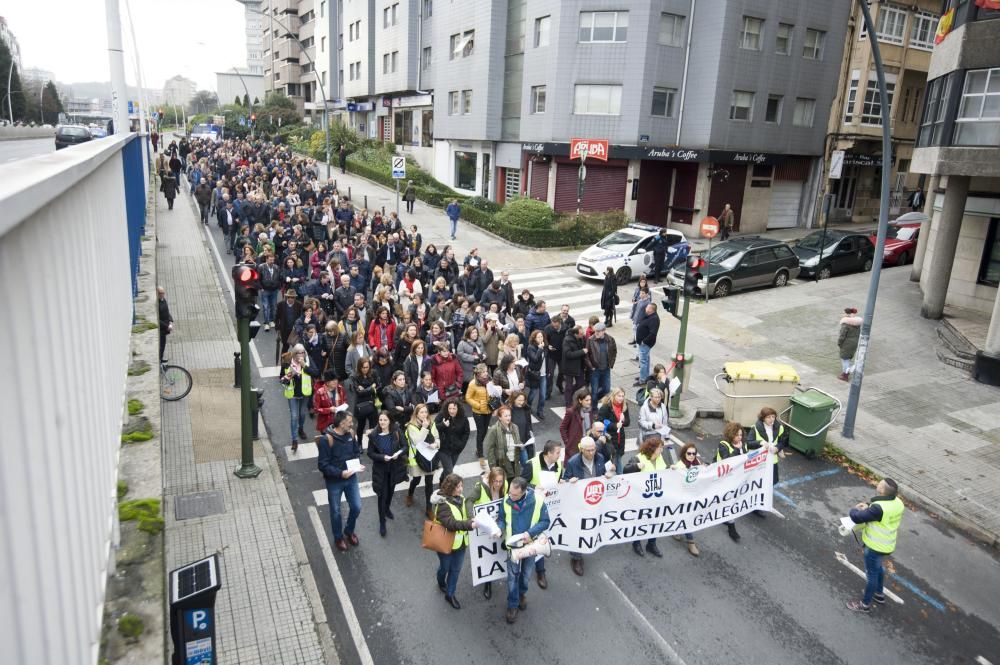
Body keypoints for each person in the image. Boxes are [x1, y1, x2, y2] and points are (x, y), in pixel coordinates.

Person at [494, 477, 551, 624]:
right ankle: (513, 605)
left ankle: (522, 594)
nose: (510, 497)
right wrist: (499, 529)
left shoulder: (537, 500)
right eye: (510, 493)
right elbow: (501, 519)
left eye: (514, 495)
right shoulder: (507, 499)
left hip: (530, 546)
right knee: (513, 578)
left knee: (525, 575)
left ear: (524, 492)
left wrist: (529, 533)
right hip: (513, 547)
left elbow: (545, 521)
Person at [845, 477, 905, 613]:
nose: (877, 484)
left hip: (874, 546)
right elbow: (879, 511)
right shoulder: (898, 502)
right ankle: (879, 594)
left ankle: (864, 604)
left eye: (880, 484)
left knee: (871, 574)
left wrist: (854, 509)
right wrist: (869, 507)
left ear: (883, 491)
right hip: (887, 545)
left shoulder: (879, 508)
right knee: (878, 568)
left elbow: (857, 517)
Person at [563, 437, 613, 576]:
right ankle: (576, 558)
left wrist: (608, 475)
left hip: (595, 500)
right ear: (582, 450)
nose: (592, 452)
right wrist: (569, 481)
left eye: (593, 449)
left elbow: (603, 473)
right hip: (578, 503)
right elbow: (564, 481)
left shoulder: (600, 457)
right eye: (589, 450)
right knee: (577, 529)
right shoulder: (573, 462)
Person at [317, 411, 364, 551]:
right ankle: (338, 537)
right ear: (341, 423)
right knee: (336, 511)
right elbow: (322, 465)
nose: (351, 424)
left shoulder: (351, 434)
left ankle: (349, 531)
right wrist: (340, 473)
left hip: (351, 477)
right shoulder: (327, 439)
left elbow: (356, 452)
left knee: (356, 507)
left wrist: (357, 464)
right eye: (349, 421)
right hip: (334, 481)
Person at [520, 440, 563, 590]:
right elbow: (520, 483)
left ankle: (538, 569)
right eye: (557, 452)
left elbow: (557, 482)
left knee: (543, 537)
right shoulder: (531, 464)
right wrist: (533, 487)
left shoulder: (559, 466)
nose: (560, 455)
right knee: (537, 538)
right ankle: (540, 571)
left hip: (549, 508)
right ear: (548, 453)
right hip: (532, 509)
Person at [430, 474, 477, 609]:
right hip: (445, 545)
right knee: (445, 568)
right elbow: (451, 524)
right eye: (458, 487)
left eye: (461, 486)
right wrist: (470, 525)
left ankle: (450, 594)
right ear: (450, 488)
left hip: (460, 544)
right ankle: (440, 581)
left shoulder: (460, 498)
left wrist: (471, 517)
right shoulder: (442, 504)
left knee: (455, 570)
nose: (461, 489)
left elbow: (464, 514)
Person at [365, 411, 406, 536]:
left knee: (390, 492)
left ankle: (387, 509)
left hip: (393, 469)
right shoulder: (374, 435)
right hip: (381, 470)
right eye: (380, 420)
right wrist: (383, 457)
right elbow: (370, 453)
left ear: (390, 421)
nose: (382, 422)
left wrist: (397, 454)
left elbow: (405, 446)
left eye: (385, 420)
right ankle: (382, 521)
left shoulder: (396, 431)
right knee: (382, 496)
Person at [472, 467, 507, 600]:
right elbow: (469, 501)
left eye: (500, 481)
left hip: (499, 525)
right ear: (491, 479)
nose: (498, 484)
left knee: (498, 551)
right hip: (485, 527)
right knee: (487, 555)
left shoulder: (505, 485)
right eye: (496, 481)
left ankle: (497, 574)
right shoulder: (480, 487)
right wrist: (473, 517)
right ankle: (488, 583)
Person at [631, 437, 668, 558]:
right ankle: (636, 543)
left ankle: (651, 544)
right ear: (652, 448)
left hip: (657, 498)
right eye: (660, 448)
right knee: (641, 522)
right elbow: (626, 472)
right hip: (642, 499)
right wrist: (636, 466)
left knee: (655, 522)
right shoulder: (638, 458)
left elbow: (664, 471)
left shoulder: (660, 458)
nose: (662, 450)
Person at [282, 344, 319, 452]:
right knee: (294, 416)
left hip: (304, 393)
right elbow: (281, 379)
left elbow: (316, 373)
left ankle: (301, 428)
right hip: (292, 393)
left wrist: (304, 366)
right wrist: (289, 376)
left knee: (302, 414)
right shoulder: (287, 361)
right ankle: (294, 440)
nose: (300, 355)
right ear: (294, 354)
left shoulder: (307, 360)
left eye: (302, 352)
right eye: (298, 353)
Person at [405, 403, 440, 518]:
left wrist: (436, 444)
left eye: (426, 412)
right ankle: (410, 494)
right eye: (421, 412)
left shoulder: (432, 423)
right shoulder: (411, 426)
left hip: (429, 457)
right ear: (416, 414)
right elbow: (417, 441)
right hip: (417, 458)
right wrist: (424, 428)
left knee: (429, 483)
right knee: (416, 480)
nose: (424, 414)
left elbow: (437, 437)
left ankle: (429, 509)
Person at [670, 442, 704, 557]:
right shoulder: (680, 466)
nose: (691, 455)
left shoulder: (698, 463)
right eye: (689, 453)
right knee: (687, 517)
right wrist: (673, 470)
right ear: (684, 453)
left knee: (685, 516)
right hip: (682, 496)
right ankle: (691, 542)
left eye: (693, 453)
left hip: (694, 495)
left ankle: (676, 529)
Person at [716, 421, 747, 542]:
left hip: (737, 478)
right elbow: (727, 461)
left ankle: (725, 518)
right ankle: (731, 528)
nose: (739, 438)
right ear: (731, 435)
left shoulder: (742, 444)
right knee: (729, 502)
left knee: (729, 501)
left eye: (741, 435)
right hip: (724, 479)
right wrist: (736, 450)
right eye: (737, 435)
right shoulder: (723, 444)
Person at [749, 406, 789, 490]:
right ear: (763, 418)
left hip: (772, 460)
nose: (771, 419)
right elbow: (749, 443)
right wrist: (761, 443)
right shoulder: (755, 428)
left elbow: (783, 442)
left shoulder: (780, 428)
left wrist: (778, 448)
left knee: (771, 482)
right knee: (757, 483)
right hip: (759, 461)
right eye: (768, 417)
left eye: (773, 417)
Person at [465, 363, 493, 471]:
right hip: (478, 412)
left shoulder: (490, 381)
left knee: (485, 431)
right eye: (483, 372)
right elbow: (468, 397)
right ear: (478, 374)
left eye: (486, 371)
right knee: (480, 432)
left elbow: (492, 393)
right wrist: (478, 405)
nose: (486, 373)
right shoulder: (473, 384)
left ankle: (478, 448)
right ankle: (480, 455)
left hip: (488, 410)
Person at [485, 404, 523, 481]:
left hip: (515, 461)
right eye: (506, 416)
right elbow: (490, 450)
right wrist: (493, 468)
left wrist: (521, 445)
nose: (508, 418)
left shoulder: (515, 427)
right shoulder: (494, 430)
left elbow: (518, 441)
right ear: (499, 417)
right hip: (502, 464)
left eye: (509, 415)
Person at [597, 387, 629, 473]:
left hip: (620, 440)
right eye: (619, 396)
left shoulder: (624, 406)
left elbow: (627, 422)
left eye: (622, 396)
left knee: (617, 460)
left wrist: (623, 420)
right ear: (614, 396)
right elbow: (600, 422)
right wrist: (615, 425)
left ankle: (618, 479)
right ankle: (618, 479)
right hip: (609, 440)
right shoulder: (606, 407)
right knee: (612, 462)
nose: (621, 398)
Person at [435, 398, 470, 476]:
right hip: (443, 449)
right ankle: (446, 487)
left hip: (456, 449)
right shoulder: (442, 415)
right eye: (450, 408)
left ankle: (442, 480)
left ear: (458, 408)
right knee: (449, 471)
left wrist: (461, 445)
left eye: (454, 408)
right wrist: (443, 425)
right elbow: (433, 428)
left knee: (448, 469)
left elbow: (466, 432)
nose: (452, 411)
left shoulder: (463, 417)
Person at [587, 322, 617, 405]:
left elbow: (614, 352)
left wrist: (611, 363)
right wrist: (591, 366)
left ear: (604, 331)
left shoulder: (610, 339)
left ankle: (594, 400)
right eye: (595, 331)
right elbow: (586, 355)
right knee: (594, 390)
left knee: (607, 389)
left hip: (606, 369)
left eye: (598, 331)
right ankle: (594, 408)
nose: (596, 333)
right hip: (595, 370)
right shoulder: (590, 340)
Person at [559, 388, 592, 461]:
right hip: (574, 446)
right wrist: (567, 442)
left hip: (587, 444)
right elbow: (562, 428)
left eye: (590, 400)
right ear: (580, 400)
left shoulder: (590, 411)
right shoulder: (571, 412)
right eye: (586, 400)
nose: (589, 402)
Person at [638, 388, 671, 458]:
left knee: (658, 455)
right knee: (649, 455)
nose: (658, 399)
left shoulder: (662, 406)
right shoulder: (644, 408)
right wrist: (653, 425)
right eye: (656, 397)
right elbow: (641, 422)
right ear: (651, 396)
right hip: (648, 435)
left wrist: (667, 435)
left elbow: (665, 421)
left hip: (659, 435)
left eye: (659, 397)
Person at [561, 326, 588, 408]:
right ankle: (568, 404)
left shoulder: (581, 338)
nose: (583, 335)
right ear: (575, 334)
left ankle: (568, 395)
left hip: (578, 366)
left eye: (583, 333)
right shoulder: (567, 340)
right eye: (581, 334)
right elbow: (568, 354)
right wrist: (582, 351)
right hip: (569, 366)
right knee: (568, 386)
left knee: (581, 383)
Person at [524, 329, 547, 419]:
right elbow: (535, 359)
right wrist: (540, 349)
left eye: (541, 336)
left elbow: (546, 359)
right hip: (535, 373)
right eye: (538, 337)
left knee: (543, 395)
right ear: (534, 338)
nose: (541, 338)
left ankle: (540, 410)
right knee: (533, 392)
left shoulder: (544, 346)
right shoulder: (531, 347)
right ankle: (528, 407)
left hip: (543, 373)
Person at [634, 303, 659, 385]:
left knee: (643, 361)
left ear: (651, 309)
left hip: (645, 344)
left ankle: (643, 380)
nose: (646, 308)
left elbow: (653, 333)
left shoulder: (654, 319)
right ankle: (645, 376)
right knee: (646, 360)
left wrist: (644, 341)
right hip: (644, 343)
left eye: (647, 307)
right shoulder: (650, 316)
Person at [837, 307, 862, 381]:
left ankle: (845, 375)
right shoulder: (857, 323)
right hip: (854, 342)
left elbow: (842, 336)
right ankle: (845, 372)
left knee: (845, 359)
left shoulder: (846, 324)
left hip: (847, 343)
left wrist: (839, 343)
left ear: (846, 314)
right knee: (848, 358)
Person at [157, 286, 173, 363]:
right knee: (160, 345)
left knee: (163, 344)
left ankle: (161, 358)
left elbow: (167, 311)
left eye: (163, 293)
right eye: (160, 293)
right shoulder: (157, 303)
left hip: (166, 327)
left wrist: (170, 320)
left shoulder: (163, 300)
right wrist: (167, 326)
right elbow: (158, 319)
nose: (162, 294)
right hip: (162, 328)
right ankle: (159, 360)